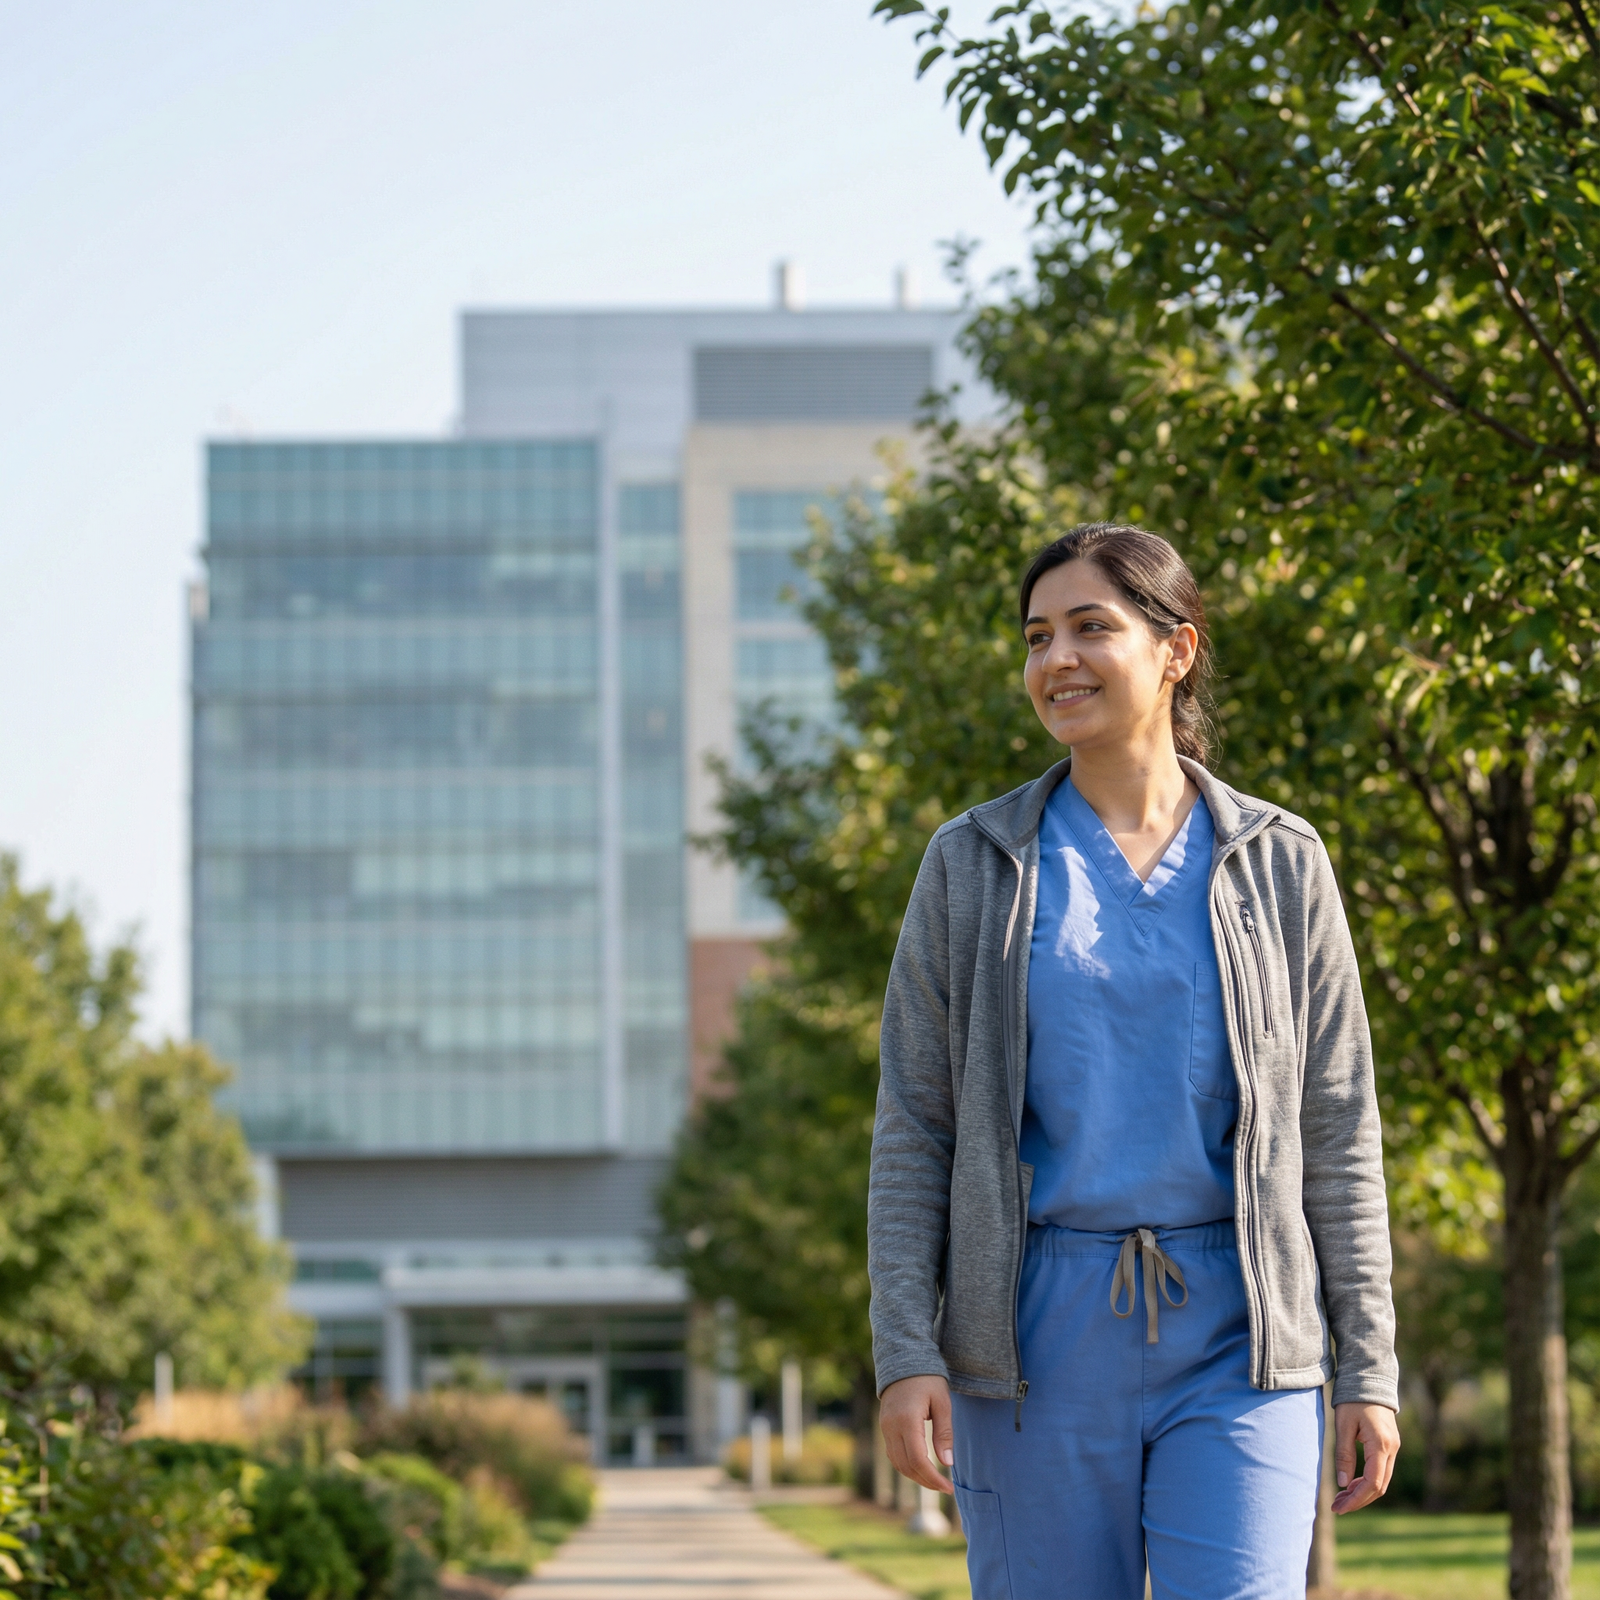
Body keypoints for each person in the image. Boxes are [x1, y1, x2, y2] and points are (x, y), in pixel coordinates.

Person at [868, 524, 1400, 1599]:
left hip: (1242, 1331)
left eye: (1088, 627)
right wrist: (907, 1351)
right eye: (1035, 636)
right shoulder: (972, 865)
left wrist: (1368, 1365)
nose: (1054, 659)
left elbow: (1337, 1128)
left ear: (1176, 649)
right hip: (1032, 1340)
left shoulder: (1280, 862)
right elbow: (915, 1128)